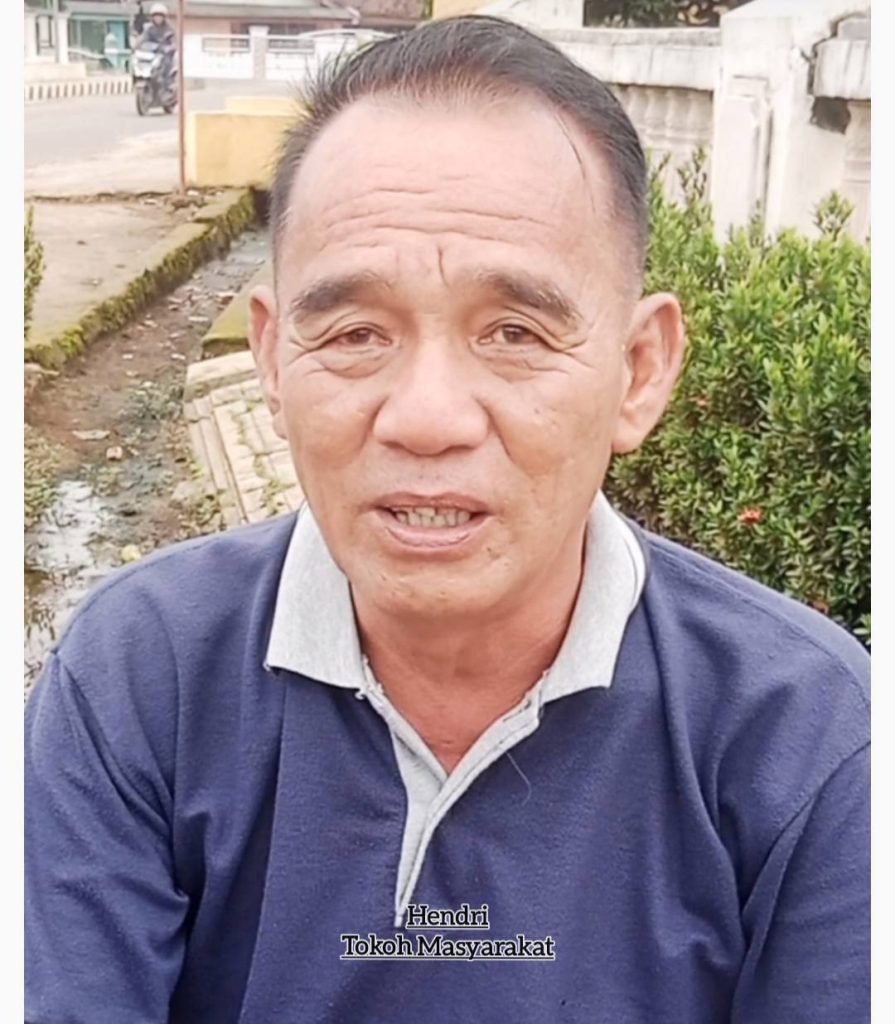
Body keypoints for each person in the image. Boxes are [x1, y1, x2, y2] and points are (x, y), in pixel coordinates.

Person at [25, 15, 869, 1024]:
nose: (426, 418)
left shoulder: (811, 740)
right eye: (355, 333)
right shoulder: (137, 678)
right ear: (272, 362)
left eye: (513, 332)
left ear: (639, 371)